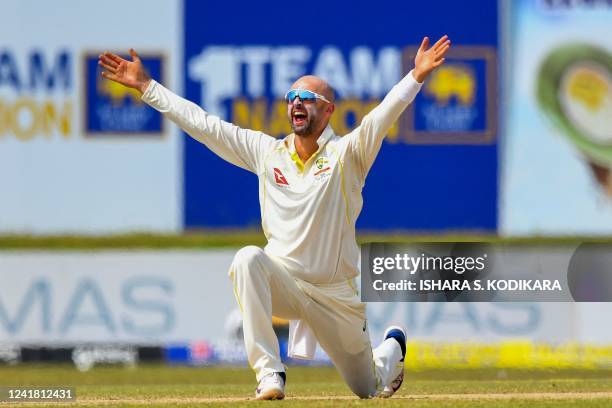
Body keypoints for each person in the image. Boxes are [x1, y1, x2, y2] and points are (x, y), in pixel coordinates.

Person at [98, 35, 450, 400]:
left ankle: (391, 349)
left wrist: (416, 76)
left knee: (368, 389)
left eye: (308, 98)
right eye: (292, 98)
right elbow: (204, 125)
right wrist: (146, 86)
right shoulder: (267, 153)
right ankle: (269, 375)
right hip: (284, 283)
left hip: (335, 297)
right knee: (248, 258)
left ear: (328, 110)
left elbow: (382, 116)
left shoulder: (348, 155)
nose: (297, 103)